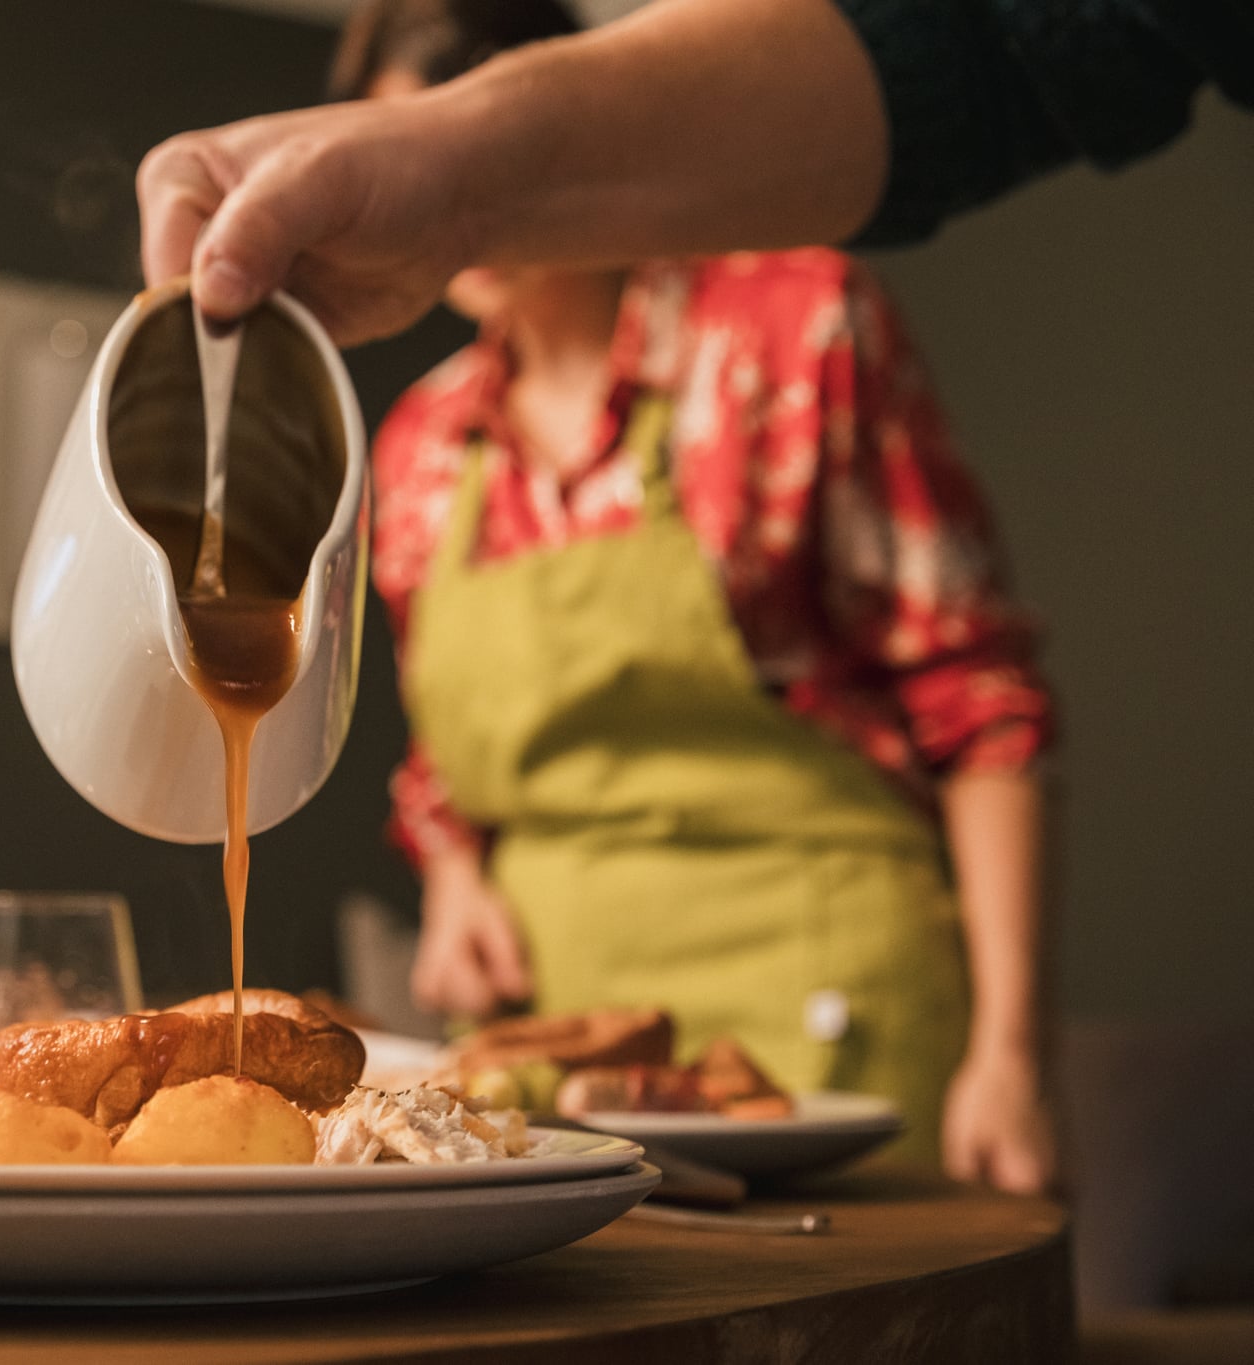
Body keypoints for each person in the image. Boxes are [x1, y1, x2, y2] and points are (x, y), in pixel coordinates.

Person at [338, 0, 1058, 1193]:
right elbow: (441, 765)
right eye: (399, 161)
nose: (434, 197)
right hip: (551, 1059)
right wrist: (455, 873)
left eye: (462, 145)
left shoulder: (795, 327)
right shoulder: (418, 443)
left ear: (553, 126)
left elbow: (980, 705)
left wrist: (1012, 1051)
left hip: (832, 1010)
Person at [139, 0, 1253, 342]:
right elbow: (989, 44)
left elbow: (968, 684)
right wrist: (459, 176)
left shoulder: (786, 331)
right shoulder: (436, 448)